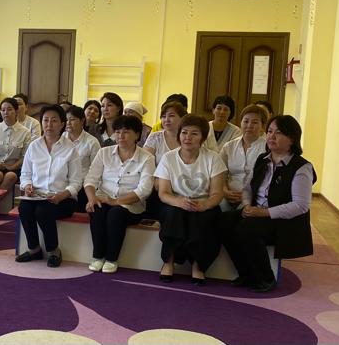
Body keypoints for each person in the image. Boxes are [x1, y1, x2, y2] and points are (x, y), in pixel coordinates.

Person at [222, 115, 317, 292]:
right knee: (223, 221)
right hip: (257, 213)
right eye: (270, 131)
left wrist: (263, 213)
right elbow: (248, 187)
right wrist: (247, 205)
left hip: (283, 221)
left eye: (278, 133)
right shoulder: (263, 159)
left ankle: (265, 278)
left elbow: (300, 205)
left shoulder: (301, 167)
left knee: (245, 228)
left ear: (292, 139)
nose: (271, 136)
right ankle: (246, 273)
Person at [155, 114, 226, 285]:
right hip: (175, 201)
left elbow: (217, 194)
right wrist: (179, 202)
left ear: (203, 138)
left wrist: (204, 205)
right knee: (173, 214)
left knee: (203, 218)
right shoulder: (168, 158)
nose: (188, 137)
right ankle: (168, 262)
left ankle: (198, 266)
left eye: (194, 133)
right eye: (184, 132)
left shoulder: (213, 158)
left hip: (204, 203)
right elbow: (163, 193)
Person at [84, 116, 156, 273]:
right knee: (97, 209)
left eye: (126, 132)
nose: (121, 136)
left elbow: (144, 190)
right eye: (117, 132)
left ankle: (111, 258)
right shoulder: (104, 152)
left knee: (116, 213)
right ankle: (98, 256)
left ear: (137, 135)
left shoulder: (147, 158)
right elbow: (90, 179)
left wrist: (115, 201)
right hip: (104, 198)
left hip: (131, 206)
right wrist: (92, 198)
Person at [16, 105, 82, 268]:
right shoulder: (34, 146)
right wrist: (27, 186)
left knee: (43, 211)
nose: (49, 125)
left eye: (54, 121)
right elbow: (25, 174)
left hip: (63, 199)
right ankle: (34, 249)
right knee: (24, 208)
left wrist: (62, 195)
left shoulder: (71, 149)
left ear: (62, 124)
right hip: (37, 196)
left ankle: (54, 251)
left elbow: (76, 182)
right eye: (45, 120)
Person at [219, 105, 268, 212]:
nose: (249, 125)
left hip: (255, 196)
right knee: (219, 209)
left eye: (255, 122)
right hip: (228, 194)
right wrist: (225, 191)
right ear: (240, 123)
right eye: (246, 121)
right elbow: (220, 174)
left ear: (263, 126)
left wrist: (248, 196)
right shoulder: (229, 146)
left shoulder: (267, 148)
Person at [0, 98, 32, 191]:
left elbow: (25, 156)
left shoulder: (25, 132)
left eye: (9, 109)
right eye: (3, 110)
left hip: (14, 167)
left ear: (16, 111)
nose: (6, 112)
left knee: (11, 176)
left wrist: (12, 167)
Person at [65, 106, 102, 213]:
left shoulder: (92, 142)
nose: (68, 123)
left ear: (82, 121)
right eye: (66, 119)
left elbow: (97, 169)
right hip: (62, 182)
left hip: (83, 184)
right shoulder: (60, 139)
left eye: (72, 119)